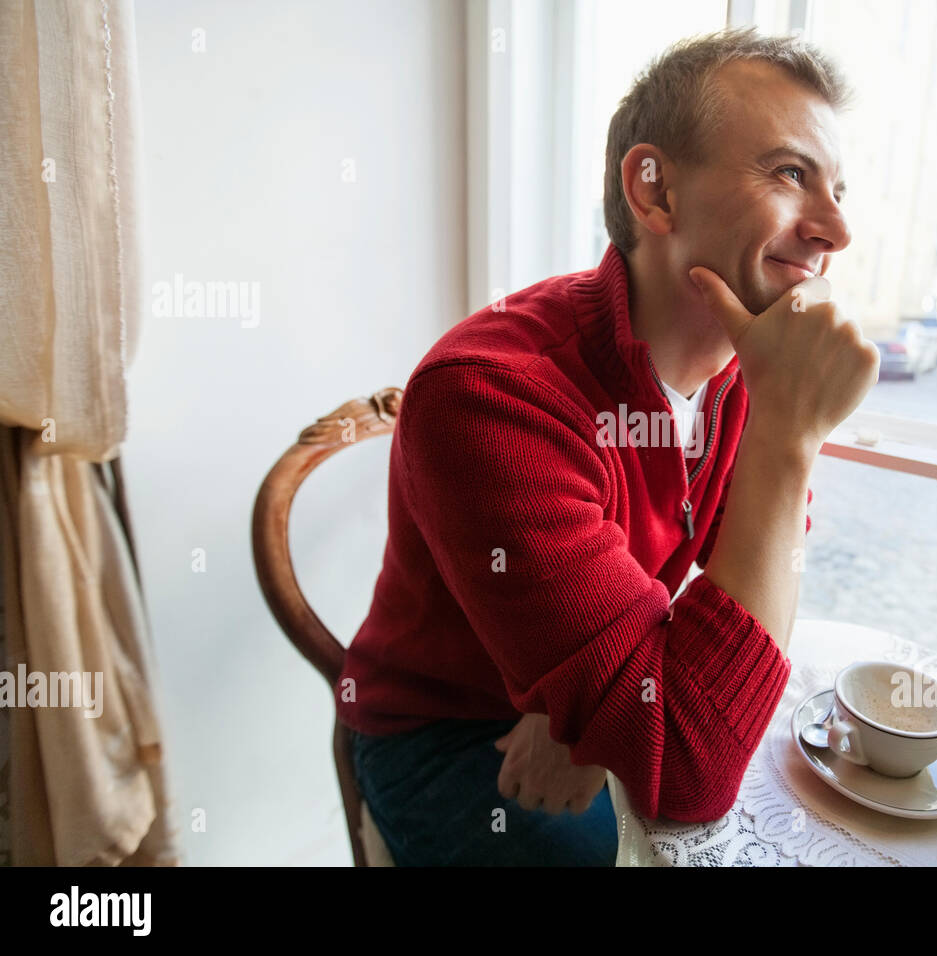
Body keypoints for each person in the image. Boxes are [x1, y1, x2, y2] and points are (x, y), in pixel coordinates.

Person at [337, 26, 879, 866]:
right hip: (449, 729)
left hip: (571, 680)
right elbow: (688, 776)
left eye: (839, 187)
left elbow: (770, 553)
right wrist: (789, 433)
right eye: (789, 173)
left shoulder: (742, 371)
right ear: (654, 193)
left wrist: (585, 704)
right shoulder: (488, 396)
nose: (837, 230)